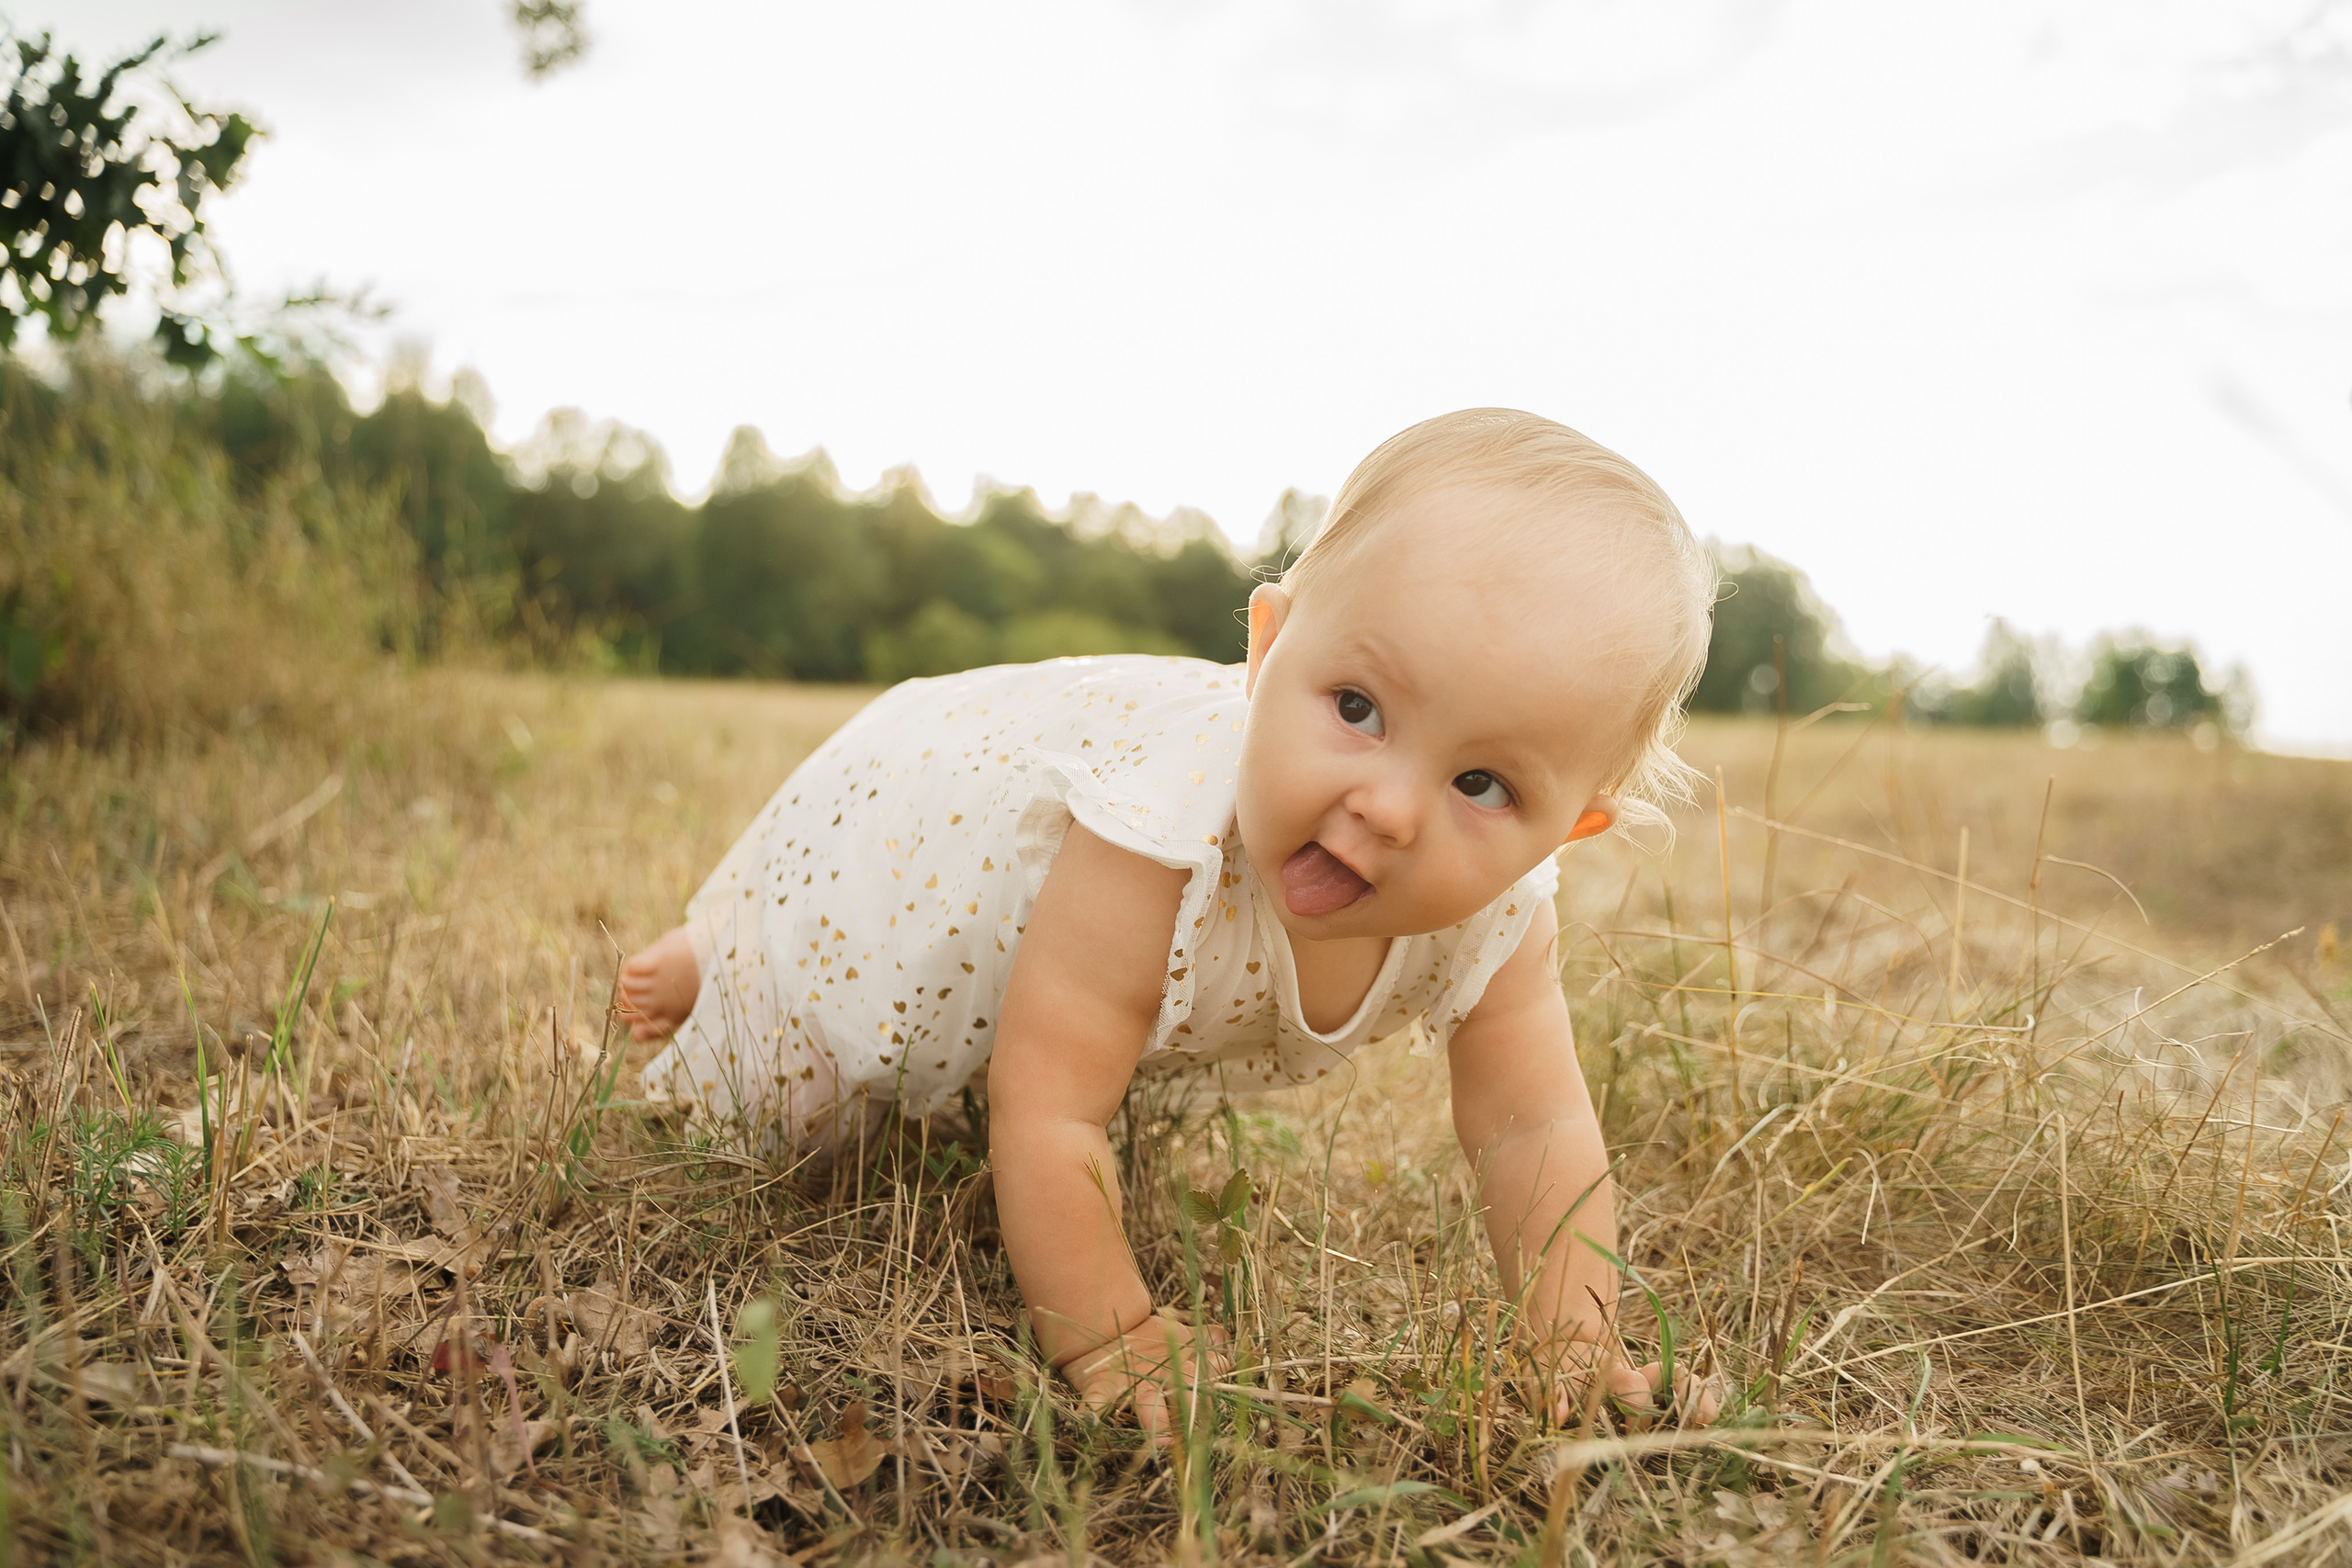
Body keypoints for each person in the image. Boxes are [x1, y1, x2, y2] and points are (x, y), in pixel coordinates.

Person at [618, 409, 1722, 1434]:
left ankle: (727, 950)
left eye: (1482, 784)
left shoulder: (1503, 920)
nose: (1385, 808)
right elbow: (1048, 1103)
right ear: (1267, 647)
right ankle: (722, 946)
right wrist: (1113, 1333)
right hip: (947, 845)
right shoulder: (1153, 829)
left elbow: (1534, 1130)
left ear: (1568, 831)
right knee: (794, 1099)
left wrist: (1574, 1340)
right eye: (1356, 709)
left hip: (1069, 935)